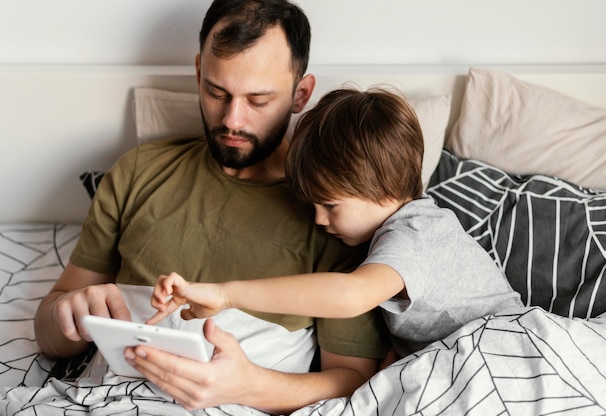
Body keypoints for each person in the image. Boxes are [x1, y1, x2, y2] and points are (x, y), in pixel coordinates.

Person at [33, 0, 388, 413]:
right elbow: (48, 332)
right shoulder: (139, 171)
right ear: (199, 72)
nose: (233, 120)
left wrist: (249, 386)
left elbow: (353, 382)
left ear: (301, 94)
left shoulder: (335, 213)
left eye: (258, 100)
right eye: (217, 92)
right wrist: (68, 314)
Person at [147, 87, 524, 362]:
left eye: (330, 204)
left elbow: (349, 295)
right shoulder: (390, 236)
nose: (318, 219)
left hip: (509, 348)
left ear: (385, 185)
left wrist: (227, 294)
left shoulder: (415, 234)